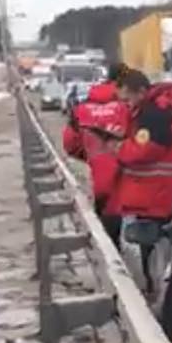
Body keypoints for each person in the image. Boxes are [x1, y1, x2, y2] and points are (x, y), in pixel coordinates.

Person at [112, 69, 172, 293]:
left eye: (128, 98)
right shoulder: (157, 109)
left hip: (154, 194)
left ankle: (153, 289)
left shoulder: (154, 115)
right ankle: (154, 286)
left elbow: (145, 150)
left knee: (149, 245)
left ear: (141, 92)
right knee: (155, 244)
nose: (126, 104)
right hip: (158, 192)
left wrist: (120, 149)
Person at [61, 62, 130, 245]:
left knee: (105, 225)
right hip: (125, 176)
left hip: (99, 178)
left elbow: (70, 144)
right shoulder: (128, 107)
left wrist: (93, 157)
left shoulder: (82, 107)